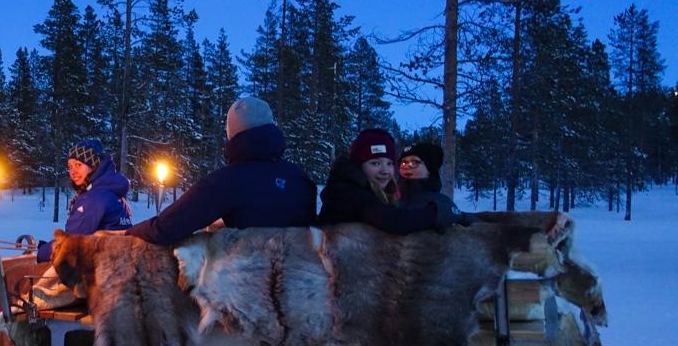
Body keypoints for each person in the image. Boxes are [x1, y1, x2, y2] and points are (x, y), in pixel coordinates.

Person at [125, 97, 317, 246]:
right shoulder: (300, 179)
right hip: (301, 287)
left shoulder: (227, 181)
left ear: (231, 132)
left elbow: (168, 227)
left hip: (251, 286)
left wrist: (130, 233)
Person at [318, 128, 461, 234]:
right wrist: (439, 212)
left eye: (389, 163)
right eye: (375, 163)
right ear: (359, 166)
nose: (385, 170)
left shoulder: (356, 188)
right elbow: (398, 222)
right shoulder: (353, 195)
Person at [35, 138, 132, 263]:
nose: (72, 172)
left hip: (100, 270)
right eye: (70, 166)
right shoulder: (112, 193)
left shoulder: (94, 198)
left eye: (78, 165)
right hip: (118, 264)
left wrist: (43, 252)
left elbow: (70, 242)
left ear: (94, 165)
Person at [397, 142, 473, 224]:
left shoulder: (443, 204)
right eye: (403, 162)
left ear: (429, 169)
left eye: (414, 162)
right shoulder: (388, 198)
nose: (406, 166)